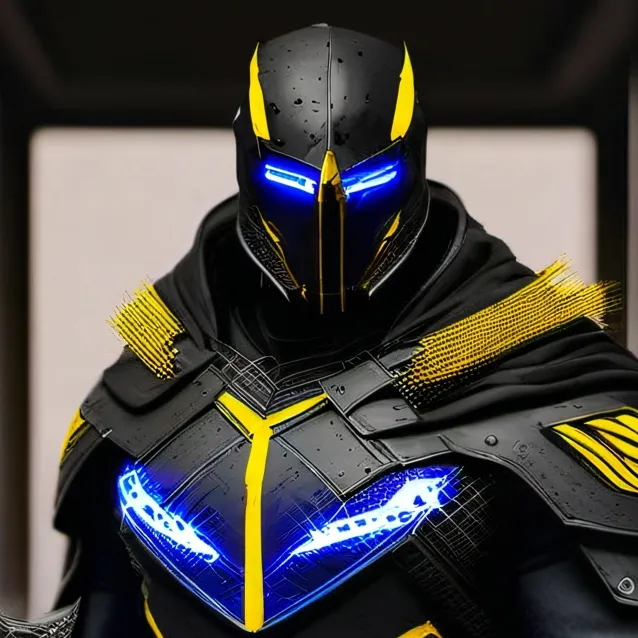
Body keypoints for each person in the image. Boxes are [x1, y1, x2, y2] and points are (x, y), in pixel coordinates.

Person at [4, 24, 638, 638]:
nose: (329, 210)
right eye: (289, 181)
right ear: (247, 163)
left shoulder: (535, 376)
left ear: (412, 159)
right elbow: (103, 612)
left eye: (369, 181)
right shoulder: (157, 367)